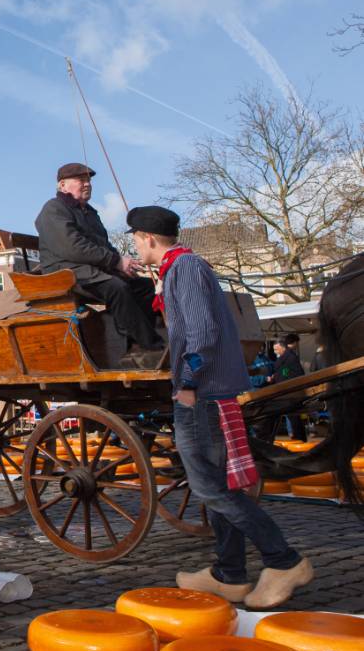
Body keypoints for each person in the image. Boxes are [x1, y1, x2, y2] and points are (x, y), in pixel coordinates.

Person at [127, 205, 313, 609]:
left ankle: (284, 560)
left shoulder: (185, 269)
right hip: (209, 390)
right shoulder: (180, 268)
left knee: (209, 486)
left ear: (149, 239)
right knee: (221, 485)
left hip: (203, 392)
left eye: (135, 239)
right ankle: (229, 573)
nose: (135, 246)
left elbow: (202, 333)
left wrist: (189, 383)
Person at [34, 162, 163, 363]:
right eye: (81, 180)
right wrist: (115, 261)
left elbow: (103, 244)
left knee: (144, 286)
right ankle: (151, 346)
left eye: (89, 180)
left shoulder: (90, 213)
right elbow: (72, 247)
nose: (87, 184)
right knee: (116, 288)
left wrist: (124, 264)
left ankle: (134, 347)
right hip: (64, 271)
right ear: (62, 185)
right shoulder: (53, 209)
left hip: (88, 268)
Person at [269, 336, 307, 441]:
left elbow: (293, 373)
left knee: (293, 417)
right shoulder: (286, 358)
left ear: (282, 348)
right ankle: (298, 437)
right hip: (285, 391)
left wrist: (278, 378)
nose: (275, 352)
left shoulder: (289, 358)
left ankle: (299, 438)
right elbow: (284, 372)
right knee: (292, 417)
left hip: (289, 392)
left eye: (276, 349)